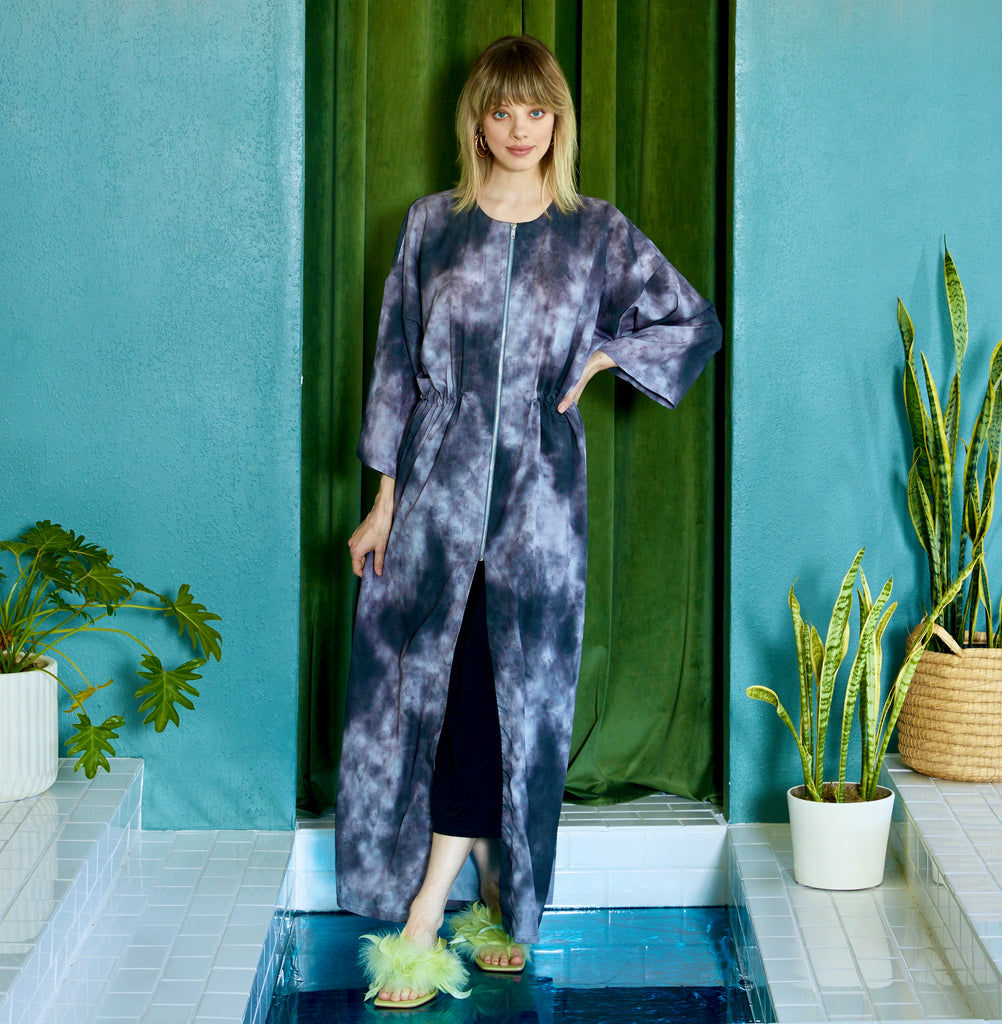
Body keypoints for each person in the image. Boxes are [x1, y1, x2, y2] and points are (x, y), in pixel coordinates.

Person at [335, 34, 722, 1009]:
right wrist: (382, 501)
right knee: (434, 694)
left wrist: (605, 357)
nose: (520, 129)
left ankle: (425, 920)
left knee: (506, 699)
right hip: (433, 497)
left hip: (539, 511)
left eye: (537, 111)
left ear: (559, 121)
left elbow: (691, 322)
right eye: (502, 111)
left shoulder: (595, 232)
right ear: (476, 122)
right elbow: (394, 363)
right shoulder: (432, 224)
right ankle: (489, 887)